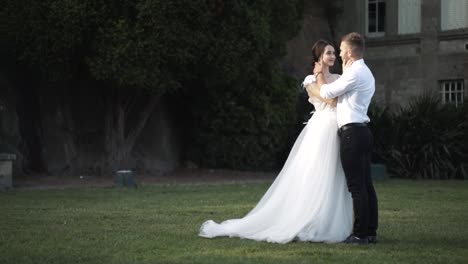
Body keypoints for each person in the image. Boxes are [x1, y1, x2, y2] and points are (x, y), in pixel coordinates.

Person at [199, 40, 353, 244]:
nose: (332, 57)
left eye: (334, 53)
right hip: (320, 131)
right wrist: (319, 76)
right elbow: (329, 100)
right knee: (314, 175)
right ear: (318, 57)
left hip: (338, 129)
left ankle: (328, 221)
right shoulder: (310, 80)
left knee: (336, 176)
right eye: (328, 53)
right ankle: (307, 219)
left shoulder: (340, 78)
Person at [310, 32, 378, 245]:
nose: (338, 54)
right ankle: (370, 232)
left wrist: (320, 75)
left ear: (349, 52)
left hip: (352, 134)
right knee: (367, 185)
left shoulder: (354, 73)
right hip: (363, 132)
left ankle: (359, 234)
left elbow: (328, 92)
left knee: (356, 187)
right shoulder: (366, 71)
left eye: (340, 50)